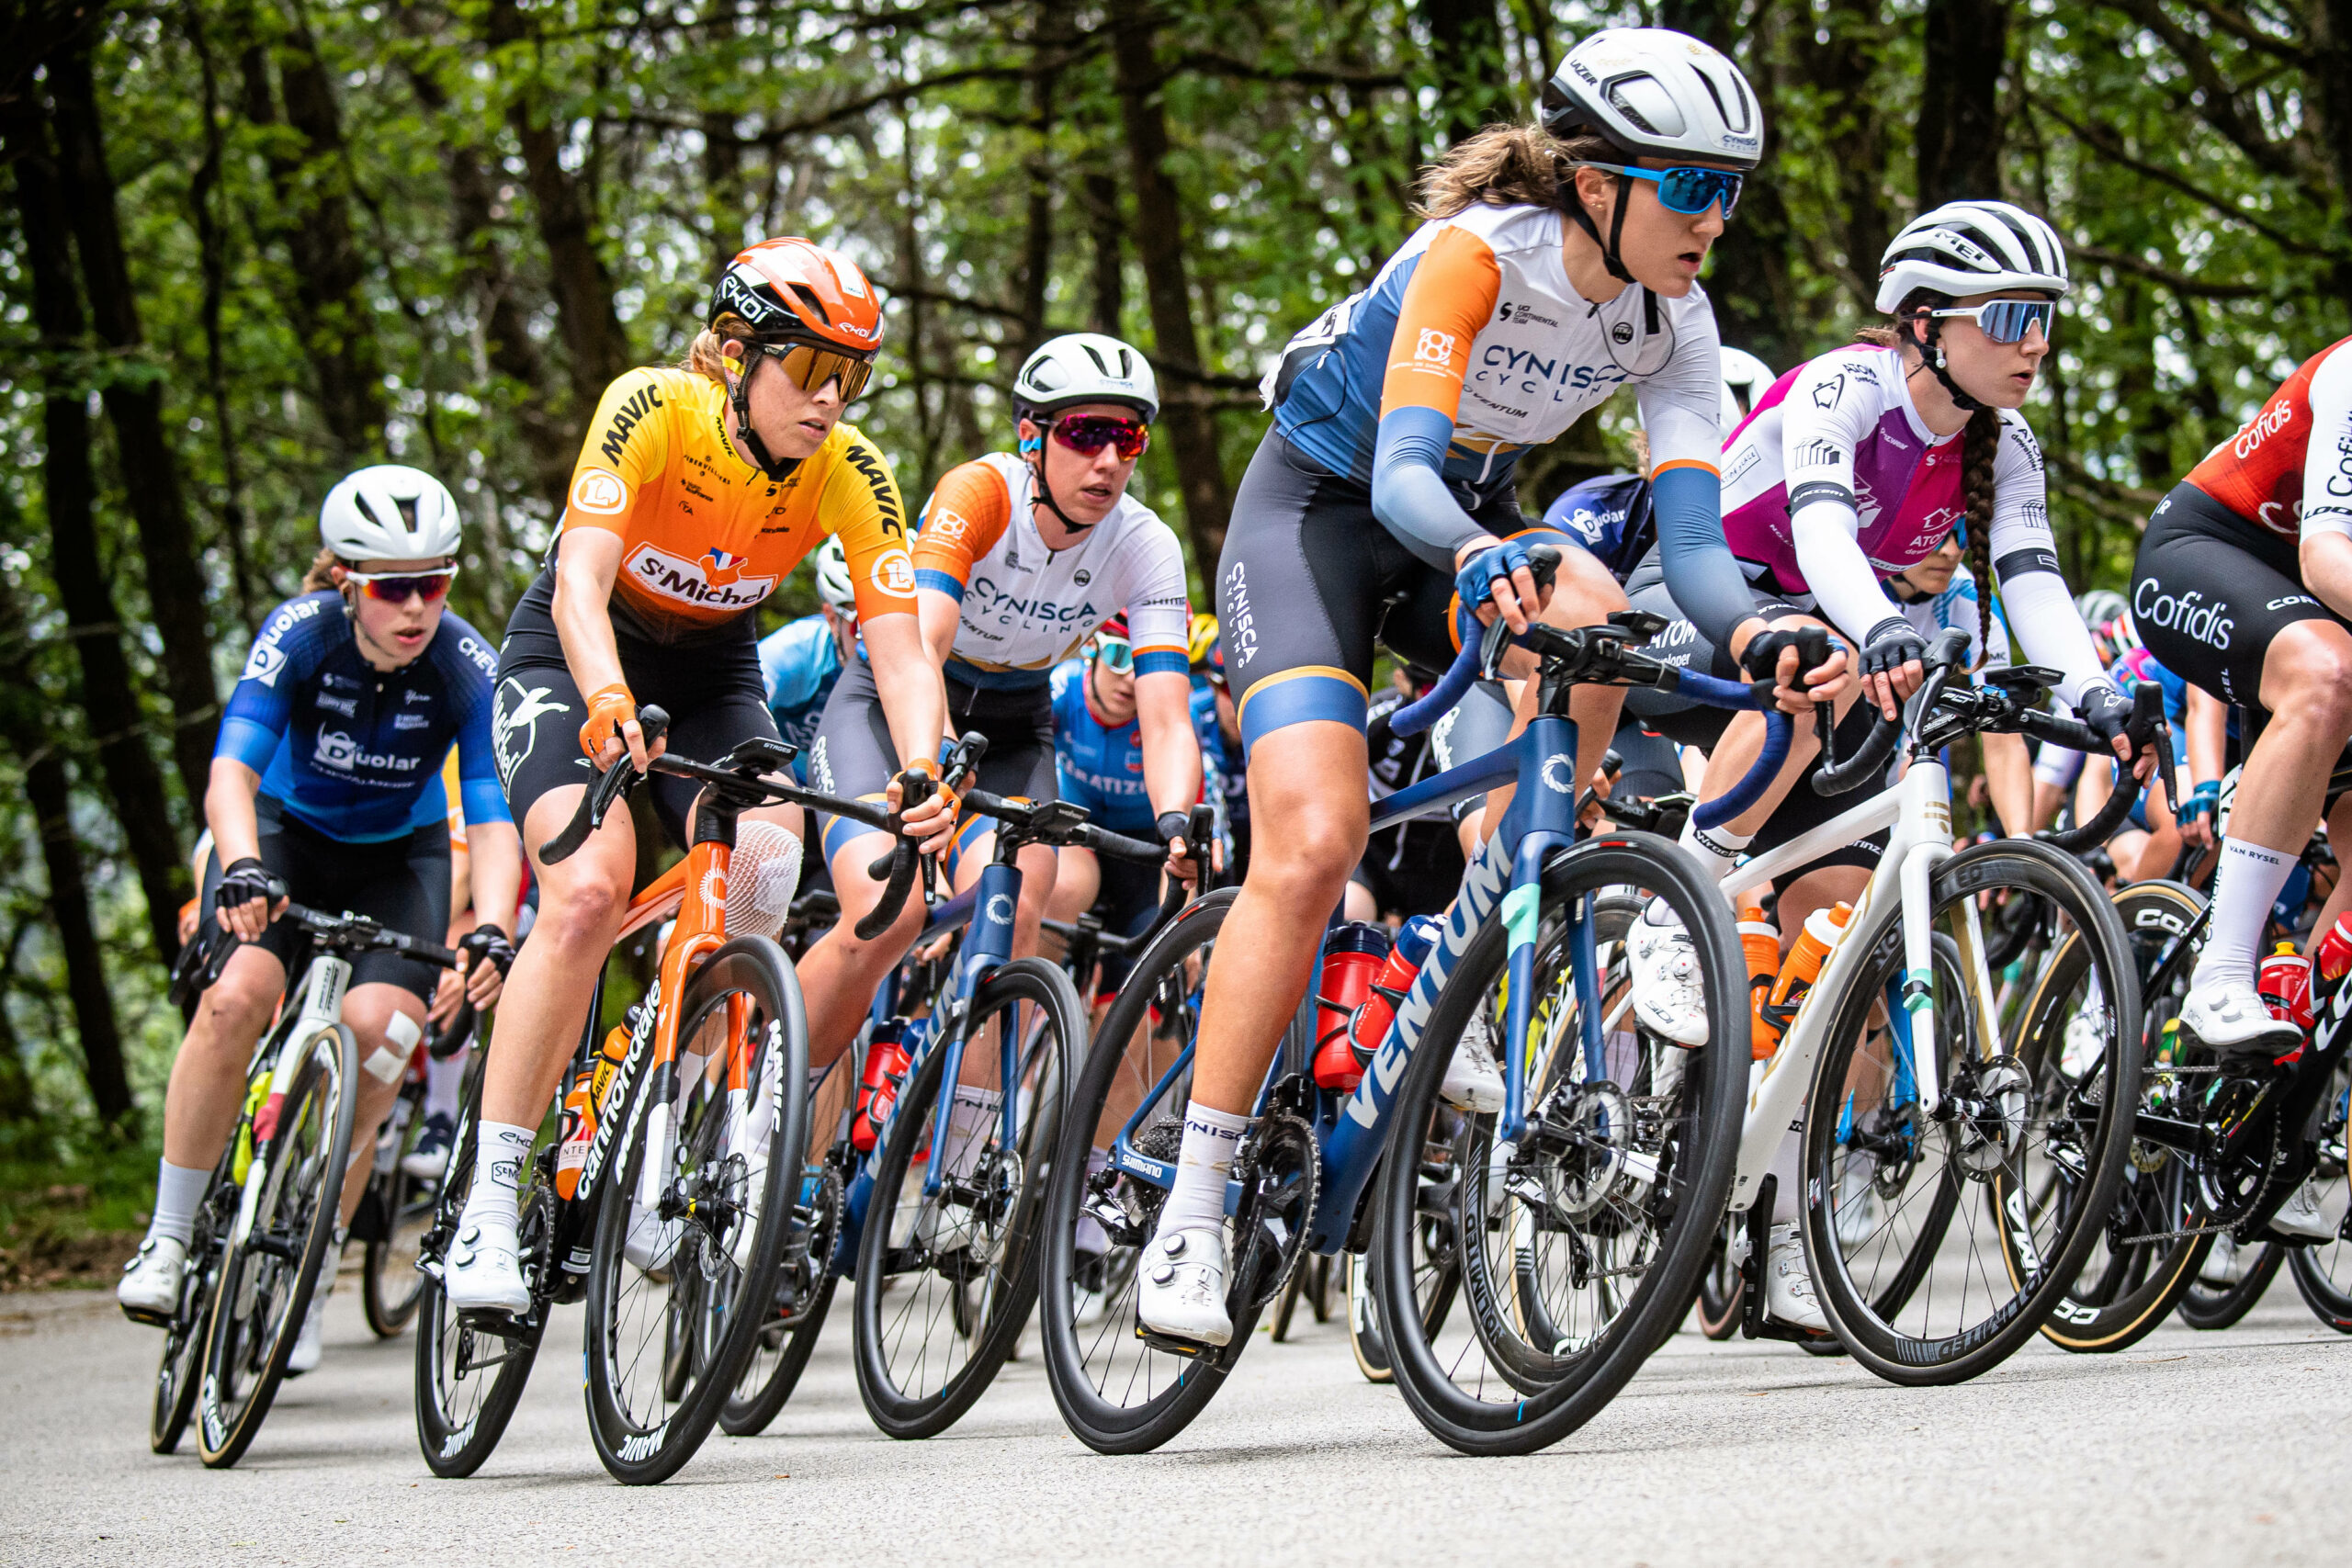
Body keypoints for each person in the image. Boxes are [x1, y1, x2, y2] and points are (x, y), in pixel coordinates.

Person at [1148, 28, 1805, 1348]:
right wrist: (1481, 550)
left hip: (1471, 514)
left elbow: (1694, 551)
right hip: (1323, 515)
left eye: (1731, 190)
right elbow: (1397, 479)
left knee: (1604, 618)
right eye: (1691, 188)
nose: (1714, 222)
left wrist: (1766, 632)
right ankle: (1194, 1204)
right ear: (1595, 182)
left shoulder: (1674, 320)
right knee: (1318, 835)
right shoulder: (1475, 255)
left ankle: (1504, 912)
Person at [1618, 199, 2147, 1328]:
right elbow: (1816, 537)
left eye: (2046, 319)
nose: (2034, 342)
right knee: (1811, 675)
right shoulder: (1841, 388)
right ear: (1921, 324)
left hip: (1841, 639)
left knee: (1853, 939)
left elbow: (2034, 587)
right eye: (2009, 316)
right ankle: (1679, 898)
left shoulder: (2006, 446)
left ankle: (1812, 1223)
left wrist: (2095, 691)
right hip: (1703, 600)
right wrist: (1877, 630)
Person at [443, 237, 956, 1313]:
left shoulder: (851, 468)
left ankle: (684, 1113)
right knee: (588, 887)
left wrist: (921, 768)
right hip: (576, 651)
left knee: (765, 852)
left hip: (714, 664)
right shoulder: (653, 407)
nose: (832, 400)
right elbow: (580, 578)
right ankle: (489, 1206)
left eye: (851, 377)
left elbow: (902, 649)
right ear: (734, 355)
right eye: (811, 370)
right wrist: (605, 699)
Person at [119, 466, 521, 1375]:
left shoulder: (465, 665)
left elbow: (492, 817)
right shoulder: (298, 636)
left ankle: (307, 1259)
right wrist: (242, 866)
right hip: (281, 838)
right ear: (346, 580)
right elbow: (232, 771)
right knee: (239, 996)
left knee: (381, 1038)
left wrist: (490, 926)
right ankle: (169, 1237)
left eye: (437, 581)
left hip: (399, 861)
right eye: (393, 586)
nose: (418, 606)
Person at [794, 333, 1200, 1067]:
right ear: (1031, 436)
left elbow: (1167, 713)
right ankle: (768, 1115)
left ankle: (961, 1162)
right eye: (1085, 433)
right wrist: (939, 759)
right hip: (902, 706)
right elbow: (922, 648)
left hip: (1013, 726)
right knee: (887, 912)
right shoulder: (980, 492)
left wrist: (1178, 821)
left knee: (1011, 916)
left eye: (1129, 437)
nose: (1109, 460)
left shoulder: (1147, 545)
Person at [2130, 334, 2352, 1066]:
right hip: (2209, 550)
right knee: (2328, 675)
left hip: (2314, 602)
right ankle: (2220, 975)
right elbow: (2325, 558)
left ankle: (2297, 1054)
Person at [1044, 614, 1218, 994]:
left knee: (1147, 988)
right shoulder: (1063, 686)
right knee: (1066, 886)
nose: (1129, 679)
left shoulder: (1178, 718)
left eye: (1144, 665)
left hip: (1145, 852)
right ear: (1092, 649)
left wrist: (1183, 926)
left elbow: (1186, 838)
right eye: (1119, 655)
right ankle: (1029, 1004)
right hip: (1078, 831)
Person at [757, 535, 858, 777]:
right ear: (833, 618)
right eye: (861, 625)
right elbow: (737, 695)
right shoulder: (797, 648)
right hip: (784, 785)